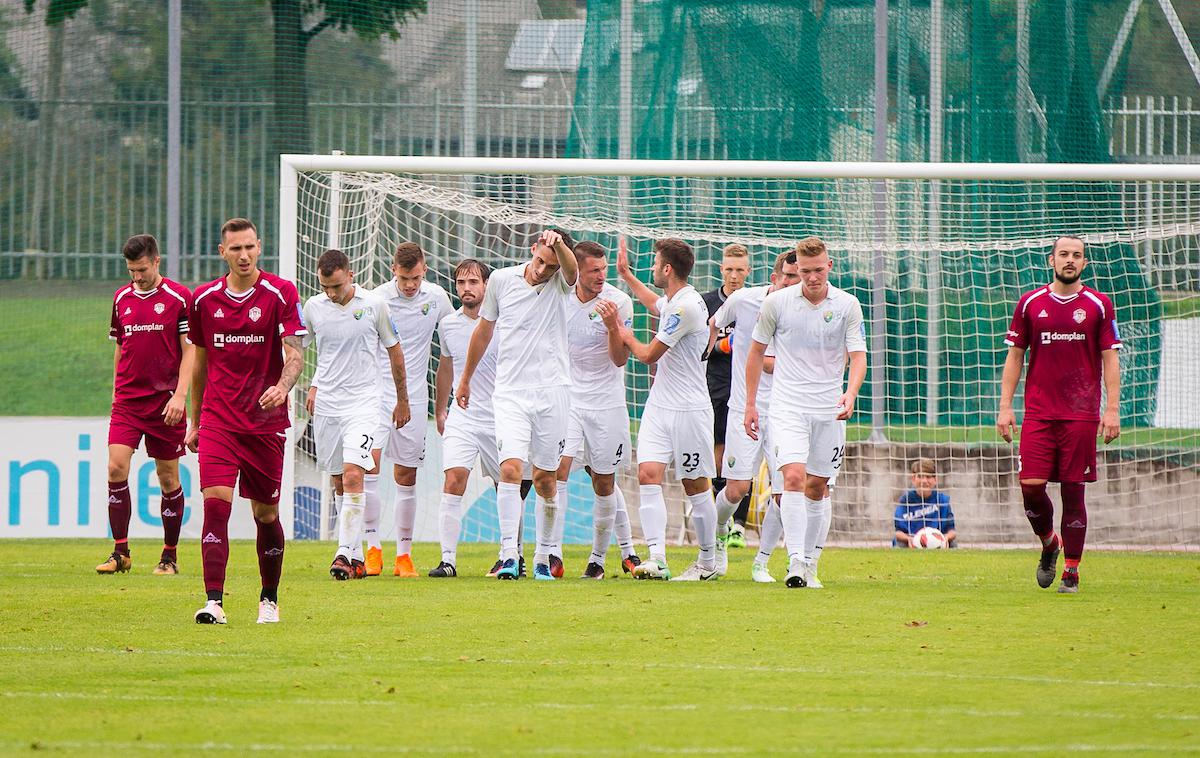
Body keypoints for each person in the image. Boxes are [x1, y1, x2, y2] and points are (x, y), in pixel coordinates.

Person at [186, 218, 306, 624]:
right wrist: (195, 420)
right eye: (235, 249)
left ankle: (268, 598)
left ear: (260, 247)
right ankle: (213, 602)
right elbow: (200, 363)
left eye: (249, 247)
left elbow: (295, 356)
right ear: (223, 252)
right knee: (215, 506)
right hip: (219, 420)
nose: (243, 255)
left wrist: (283, 387)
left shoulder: (280, 293)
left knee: (265, 515)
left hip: (265, 424)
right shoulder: (203, 300)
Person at [997, 235, 1121, 594]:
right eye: (1064, 254)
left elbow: (1111, 358)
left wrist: (1111, 410)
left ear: (1085, 263)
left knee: (1073, 491)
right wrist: (1005, 406)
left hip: (1081, 415)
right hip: (1038, 414)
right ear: (1051, 260)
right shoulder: (1031, 303)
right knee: (1030, 488)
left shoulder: (1099, 305)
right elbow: (1016, 355)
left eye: (1077, 256)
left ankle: (1071, 570)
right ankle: (1049, 542)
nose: (1070, 260)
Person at [745, 236, 867, 589]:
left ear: (829, 267)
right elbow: (755, 353)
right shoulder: (778, 303)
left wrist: (851, 393)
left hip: (829, 409)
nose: (811, 277)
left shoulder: (847, 305)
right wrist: (751, 404)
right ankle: (795, 561)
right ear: (796, 269)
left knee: (818, 487)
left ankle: (811, 562)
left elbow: (858, 356)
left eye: (818, 270)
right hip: (787, 407)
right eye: (805, 271)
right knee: (792, 478)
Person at [456, 229, 578, 581]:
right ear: (532, 249)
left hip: (553, 393)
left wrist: (559, 249)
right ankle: (509, 554)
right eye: (540, 261)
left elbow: (571, 271)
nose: (543, 270)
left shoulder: (561, 282)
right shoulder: (501, 280)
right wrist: (465, 379)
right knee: (509, 469)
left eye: (550, 266)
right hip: (509, 393)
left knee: (544, 479)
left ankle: (543, 556)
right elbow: (484, 330)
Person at [302, 249, 409, 581]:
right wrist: (313, 384)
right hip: (328, 407)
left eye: (336, 286)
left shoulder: (373, 305)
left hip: (364, 405)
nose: (331, 293)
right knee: (337, 481)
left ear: (350, 275)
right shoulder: (313, 307)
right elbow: (298, 349)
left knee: (353, 476)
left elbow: (395, 352)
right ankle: (358, 556)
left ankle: (343, 553)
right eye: (325, 287)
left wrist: (402, 400)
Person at [615, 236, 718, 581]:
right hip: (660, 405)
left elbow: (646, 355)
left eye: (656, 264)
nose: (653, 268)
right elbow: (654, 303)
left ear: (668, 269)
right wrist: (627, 276)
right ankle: (657, 558)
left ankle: (708, 562)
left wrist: (622, 332)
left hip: (689, 409)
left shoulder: (686, 307)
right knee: (647, 474)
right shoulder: (677, 300)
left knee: (695, 484)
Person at [98, 234, 194, 576]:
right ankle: (120, 552)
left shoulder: (179, 298)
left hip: (165, 404)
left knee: (167, 477)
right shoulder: (121, 297)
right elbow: (121, 348)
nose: (136, 277)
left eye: (141, 269)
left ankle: (169, 556)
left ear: (156, 261)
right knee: (115, 468)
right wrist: (115, 392)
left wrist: (180, 395)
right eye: (130, 270)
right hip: (127, 401)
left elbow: (190, 350)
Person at [710, 249, 800, 580]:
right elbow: (714, 324)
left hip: (784, 411)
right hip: (743, 408)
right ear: (774, 277)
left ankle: (762, 561)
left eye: (798, 277)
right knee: (735, 490)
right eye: (788, 276)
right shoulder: (745, 300)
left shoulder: (803, 310)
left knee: (784, 490)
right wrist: (705, 356)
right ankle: (719, 533)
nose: (793, 283)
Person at [558, 239, 643, 580]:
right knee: (557, 470)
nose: (600, 276)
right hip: (570, 402)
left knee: (604, 482)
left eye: (604, 269)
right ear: (577, 270)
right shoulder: (560, 298)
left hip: (607, 404)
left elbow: (620, 358)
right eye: (593, 270)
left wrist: (611, 327)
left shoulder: (618, 302)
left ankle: (598, 559)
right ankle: (551, 554)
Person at [369, 242, 453, 577]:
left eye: (415, 277)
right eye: (404, 278)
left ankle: (403, 555)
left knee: (406, 475)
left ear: (425, 271)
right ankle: (372, 549)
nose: (409, 285)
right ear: (393, 271)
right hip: (376, 396)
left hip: (415, 398)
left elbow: (455, 338)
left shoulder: (437, 298)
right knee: (369, 467)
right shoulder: (377, 300)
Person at [702, 244, 751, 548]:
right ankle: (716, 518)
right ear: (721, 269)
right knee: (717, 452)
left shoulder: (755, 301)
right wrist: (721, 346)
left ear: (748, 271)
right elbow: (703, 345)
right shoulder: (706, 302)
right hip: (715, 386)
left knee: (744, 452)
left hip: (746, 388)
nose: (734, 276)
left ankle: (740, 525)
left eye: (740, 270)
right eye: (729, 269)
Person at [894, 458, 957, 548]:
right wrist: (909, 539)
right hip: (912, 544)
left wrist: (945, 538)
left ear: (935, 479)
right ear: (913, 478)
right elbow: (898, 532)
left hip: (938, 544)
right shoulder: (906, 501)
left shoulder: (942, 500)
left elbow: (952, 531)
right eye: (920, 476)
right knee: (899, 544)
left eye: (928, 477)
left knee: (953, 544)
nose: (924, 481)